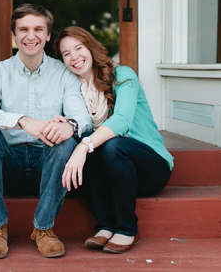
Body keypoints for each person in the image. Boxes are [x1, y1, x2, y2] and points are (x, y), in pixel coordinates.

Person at [0, 4, 92, 260]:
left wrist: (68, 126)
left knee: (66, 142)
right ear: (14, 35)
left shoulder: (64, 73)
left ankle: (44, 229)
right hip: (8, 164)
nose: (30, 35)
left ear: (48, 36)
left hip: (46, 166)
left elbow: (82, 118)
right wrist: (23, 121)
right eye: (23, 29)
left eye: (38, 29)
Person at [54, 26, 173, 254]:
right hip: (113, 175)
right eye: (66, 53)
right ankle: (105, 225)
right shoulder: (72, 90)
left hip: (150, 168)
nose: (74, 57)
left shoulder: (123, 75)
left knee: (108, 144)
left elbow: (121, 121)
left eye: (78, 48)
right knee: (89, 139)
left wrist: (83, 147)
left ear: (91, 47)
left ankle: (127, 228)